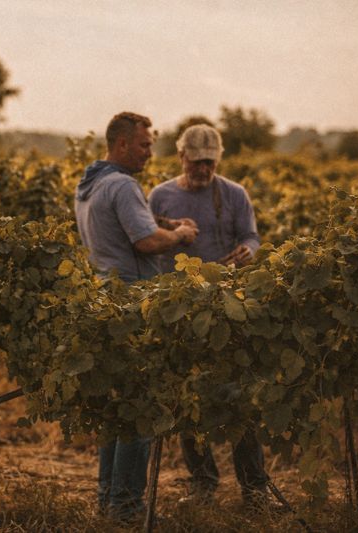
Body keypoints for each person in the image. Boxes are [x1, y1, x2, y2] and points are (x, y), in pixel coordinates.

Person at [74, 112, 199, 521]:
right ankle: (127, 508)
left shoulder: (91, 183)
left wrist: (164, 222)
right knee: (141, 407)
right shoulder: (124, 184)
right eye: (145, 144)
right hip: (133, 303)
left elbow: (131, 223)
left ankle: (108, 499)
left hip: (104, 301)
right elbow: (145, 241)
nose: (150, 152)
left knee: (116, 409)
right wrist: (179, 236)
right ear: (123, 144)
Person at [148, 123, 272, 510]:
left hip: (229, 304)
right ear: (181, 157)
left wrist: (248, 251)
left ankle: (254, 488)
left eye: (210, 162)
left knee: (241, 398)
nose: (203, 169)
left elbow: (251, 236)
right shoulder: (160, 196)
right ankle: (203, 483)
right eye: (196, 161)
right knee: (189, 400)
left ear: (217, 159)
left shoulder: (235, 194)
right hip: (181, 307)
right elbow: (146, 240)